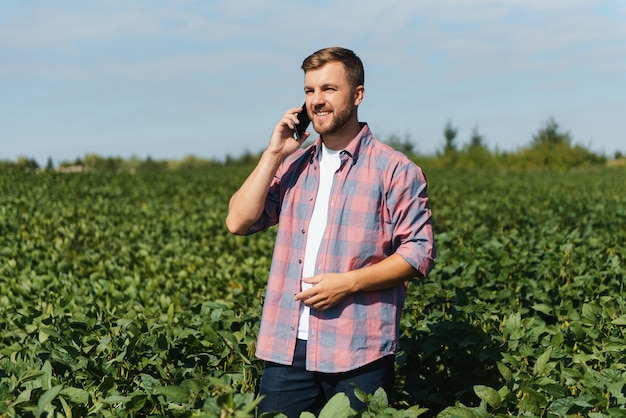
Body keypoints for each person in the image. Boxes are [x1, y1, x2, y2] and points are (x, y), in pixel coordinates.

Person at [225, 47, 435, 417]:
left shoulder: (395, 169)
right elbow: (238, 222)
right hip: (286, 349)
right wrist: (275, 153)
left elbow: (418, 253)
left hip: (359, 351)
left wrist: (348, 283)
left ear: (358, 94)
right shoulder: (294, 165)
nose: (317, 101)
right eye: (309, 91)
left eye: (328, 89)